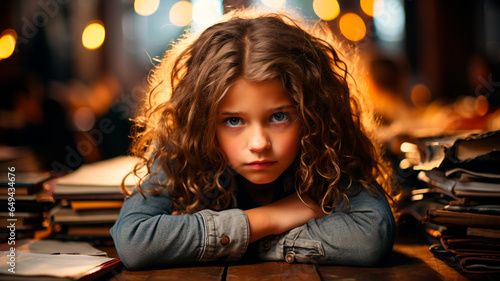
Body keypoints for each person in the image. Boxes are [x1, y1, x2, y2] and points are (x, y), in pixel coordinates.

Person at [111, 9, 398, 270]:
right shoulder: (183, 143)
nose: (259, 143)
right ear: (202, 123)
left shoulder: (325, 143)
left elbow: (370, 236)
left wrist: (246, 242)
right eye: (233, 121)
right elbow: (135, 242)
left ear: (313, 114)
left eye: (279, 117)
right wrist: (271, 218)